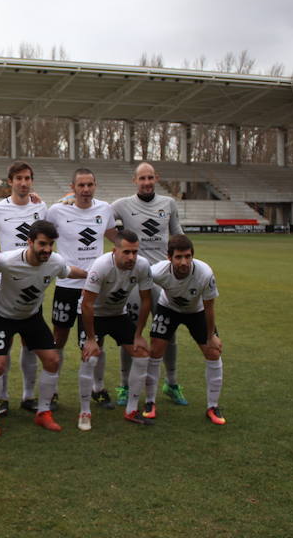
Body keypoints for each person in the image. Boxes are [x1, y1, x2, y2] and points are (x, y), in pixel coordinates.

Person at [0, 220, 87, 436]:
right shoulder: (7, 261)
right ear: (29, 242)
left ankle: (43, 413)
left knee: (52, 360)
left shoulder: (55, 261)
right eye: (42, 244)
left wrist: (92, 276)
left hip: (30, 316)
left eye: (51, 244)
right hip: (1, 315)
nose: (47, 249)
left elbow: (69, 271)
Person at [111, 162, 186, 409]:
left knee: (168, 332)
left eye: (150, 177)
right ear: (135, 180)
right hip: (135, 278)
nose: (146, 182)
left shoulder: (169, 204)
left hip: (164, 279)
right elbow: (96, 216)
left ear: (157, 178)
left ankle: (172, 382)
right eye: (142, 178)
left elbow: (177, 235)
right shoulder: (122, 205)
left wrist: (182, 265)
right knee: (131, 332)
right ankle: (124, 384)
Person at [47, 168, 118, 411]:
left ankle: (98, 388)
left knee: (95, 340)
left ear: (95, 185)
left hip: (94, 287)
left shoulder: (105, 209)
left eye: (90, 185)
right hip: (67, 285)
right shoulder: (57, 211)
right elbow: (43, 236)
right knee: (59, 338)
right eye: (81, 185)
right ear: (73, 187)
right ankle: (52, 390)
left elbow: (114, 237)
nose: (86, 190)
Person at [136, 234, 225, 425]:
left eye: (187, 256)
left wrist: (211, 336)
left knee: (213, 352)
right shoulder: (157, 271)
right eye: (178, 257)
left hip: (197, 311)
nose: (184, 262)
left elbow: (209, 308)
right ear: (169, 257)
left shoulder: (205, 274)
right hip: (168, 309)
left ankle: (213, 406)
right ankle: (150, 402)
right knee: (155, 350)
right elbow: (139, 287)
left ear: (192, 256)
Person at [0, 161, 48, 415]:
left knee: (30, 344)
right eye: (18, 178)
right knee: (4, 346)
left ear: (32, 181)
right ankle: (2, 397)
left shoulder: (40, 207)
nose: (23, 182)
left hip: (33, 285)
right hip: (5, 284)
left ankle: (28, 395)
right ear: (10, 181)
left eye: (27, 178)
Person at [78, 230, 153, 430]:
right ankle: (85, 411)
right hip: (93, 314)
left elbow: (146, 299)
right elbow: (87, 304)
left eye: (135, 252)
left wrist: (138, 335)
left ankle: (131, 410)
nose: (131, 257)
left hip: (118, 314)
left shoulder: (142, 266)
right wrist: (92, 339)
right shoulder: (101, 266)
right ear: (115, 251)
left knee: (142, 354)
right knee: (90, 356)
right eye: (126, 252)